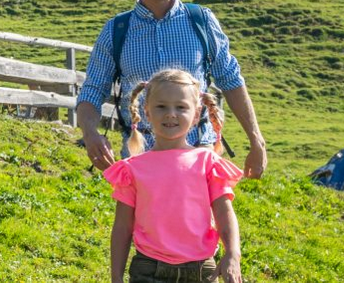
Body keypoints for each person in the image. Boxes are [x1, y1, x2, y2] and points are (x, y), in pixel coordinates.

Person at [74, 0, 267, 177]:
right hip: (140, 157)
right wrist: (90, 134)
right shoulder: (116, 30)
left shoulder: (202, 21)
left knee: (201, 218)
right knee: (143, 218)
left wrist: (256, 140)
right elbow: (93, 89)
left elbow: (230, 79)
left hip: (199, 154)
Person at [105, 70, 245, 283]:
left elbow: (225, 215)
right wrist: (116, 277)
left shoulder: (208, 163)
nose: (171, 114)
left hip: (202, 271)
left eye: (181, 107)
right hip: (149, 270)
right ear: (147, 112)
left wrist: (233, 253)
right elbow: (122, 227)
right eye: (161, 107)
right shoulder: (133, 169)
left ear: (196, 114)